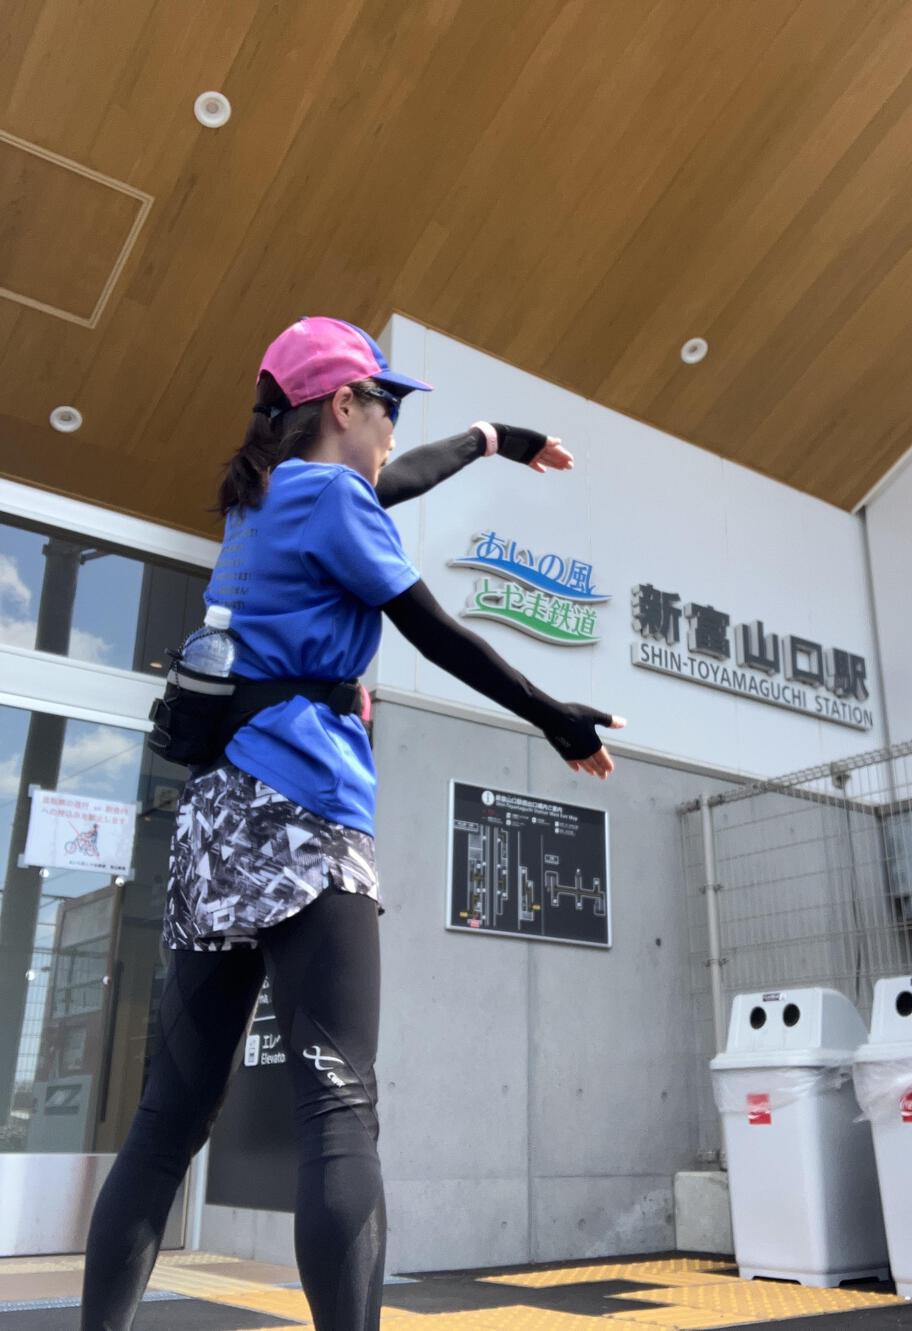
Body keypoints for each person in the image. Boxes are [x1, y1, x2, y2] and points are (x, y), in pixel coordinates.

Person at [80, 317, 624, 1331]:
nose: (390, 427)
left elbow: (398, 476)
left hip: (214, 823)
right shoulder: (331, 496)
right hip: (301, 817)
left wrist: (491, 438)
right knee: (338, 1107)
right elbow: (433, 629)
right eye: (386, 404)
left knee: (169, 1117)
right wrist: (556, 717)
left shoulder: (263, 500)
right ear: (343, 404)